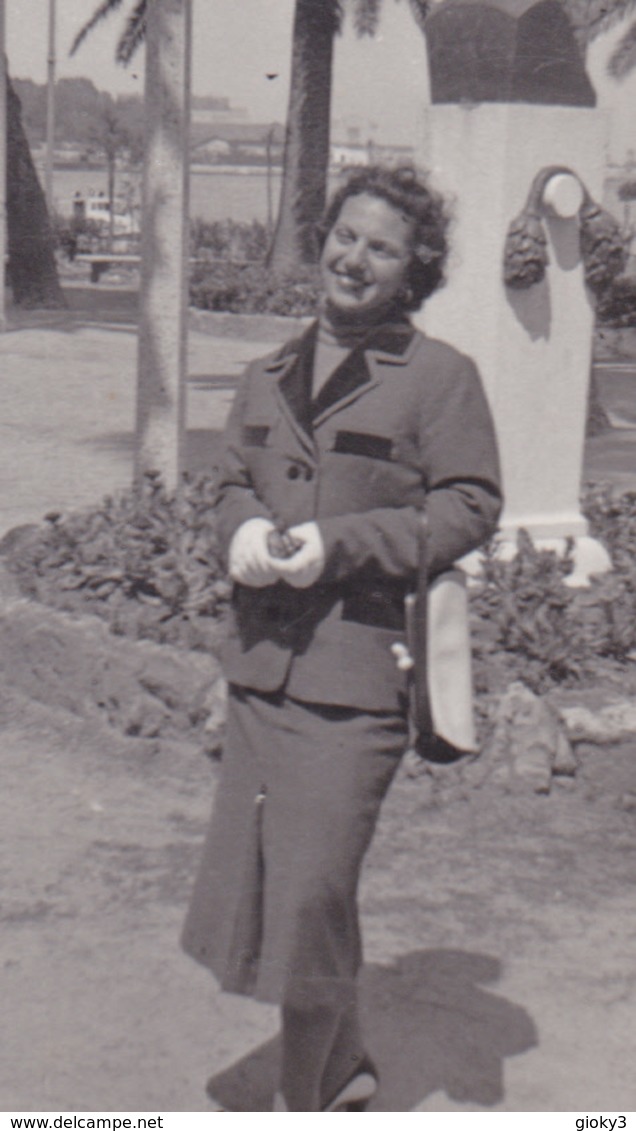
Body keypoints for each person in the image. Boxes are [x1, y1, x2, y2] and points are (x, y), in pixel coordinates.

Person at [181, 164, 502, 1112]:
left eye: (383, 248)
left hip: (359, 680)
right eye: (346, 237)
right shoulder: (268, 371)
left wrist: (340, 543)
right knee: (288, 889)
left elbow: (471, 505)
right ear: (322, 238)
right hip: (264, 672)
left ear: (415, 272)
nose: (354, 260)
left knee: (315, 886)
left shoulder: (442, 378)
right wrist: (240, 528)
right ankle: (345, 1059)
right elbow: (232, 476)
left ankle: (303, 1093)